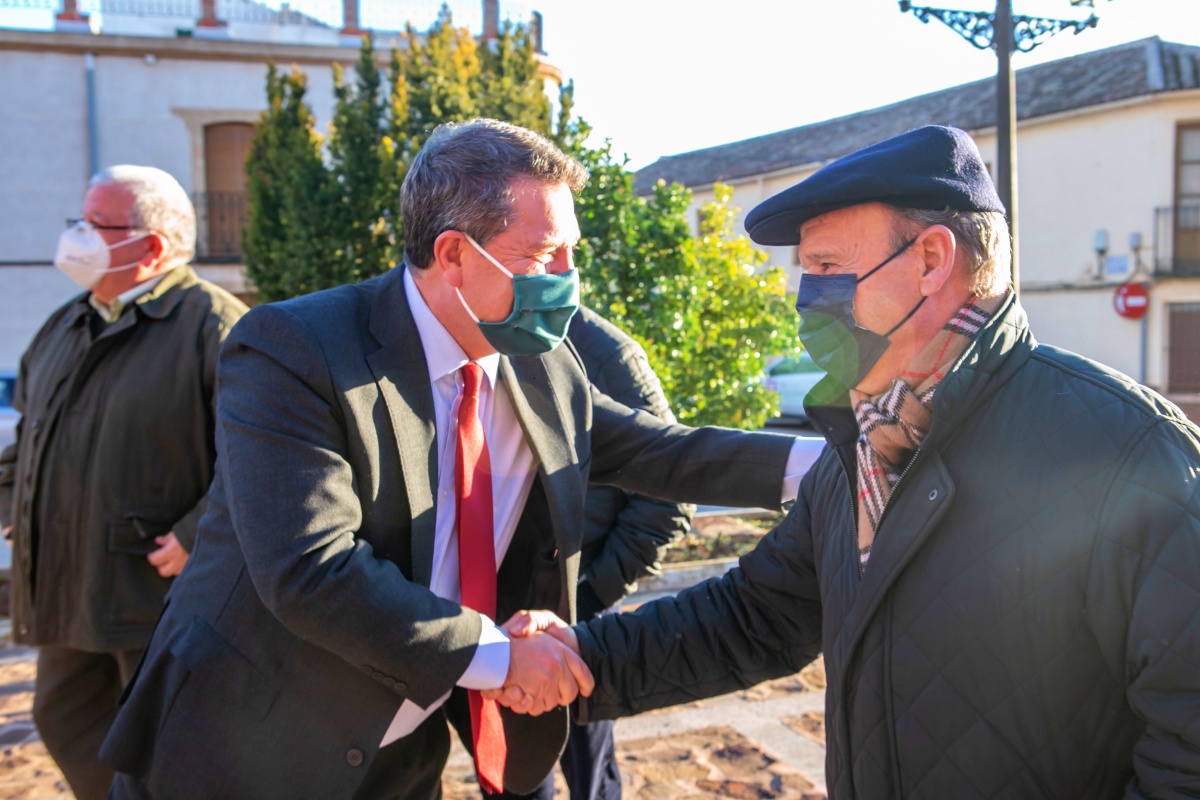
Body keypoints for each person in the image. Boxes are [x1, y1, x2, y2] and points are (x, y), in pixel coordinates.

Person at [100, 119, 821, 800]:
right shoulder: (295, 349)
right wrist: (499, 657)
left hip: (402, 747)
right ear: (453, 255)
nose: (568, 278)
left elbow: (663, 452)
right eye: (542, 256)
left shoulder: (541, 362)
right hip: (245, 745)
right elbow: (309, 569)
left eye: (572, 252)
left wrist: (829, 462)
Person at [498, 126, 1200, 798]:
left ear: (932, 260)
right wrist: (577, 661)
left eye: (828, 268)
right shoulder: (861, 448)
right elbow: (754, 617)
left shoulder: (1125, 454)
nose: (808, 300)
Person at [0, 165, 248, 800]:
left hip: (157, 600)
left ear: (152, 247)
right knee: (64, 720)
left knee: (164, 753)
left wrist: (197, 534)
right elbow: (27, 435)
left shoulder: (215, 327)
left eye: (95, 224)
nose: (76, 236)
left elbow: (258, 457)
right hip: (68, 590)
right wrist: (12, 505)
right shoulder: (64, 324)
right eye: (78, 220)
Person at [497, 307, 695, 800]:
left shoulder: (606, 353)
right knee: (511, 771)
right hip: (497, 617)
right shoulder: (484, 339)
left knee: (588, 771)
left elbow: (670, 498)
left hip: (576, 611)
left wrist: (588, 595)